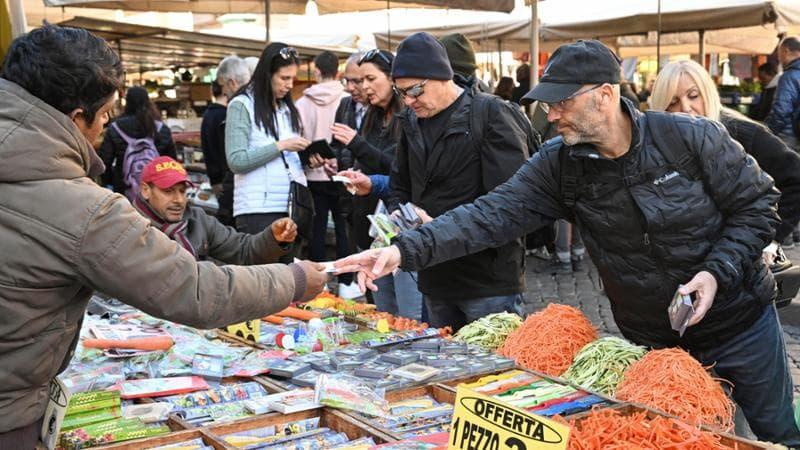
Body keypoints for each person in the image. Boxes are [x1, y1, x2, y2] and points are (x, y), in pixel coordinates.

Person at [336, 39, 800, 446]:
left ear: (604, 95)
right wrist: (402, 249)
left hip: (741, 323)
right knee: (680, 438)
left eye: (562, 102)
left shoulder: (690, 136)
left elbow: (759, 207)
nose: (551, 113)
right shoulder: (559, 163)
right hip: (656, 338)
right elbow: (491, 213)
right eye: (548, 102)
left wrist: (715, 273)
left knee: (777, 434)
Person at [0, 25, 328, 447]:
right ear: (76, 118)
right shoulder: (82, 209)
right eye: (103, 117)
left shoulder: (193, 222)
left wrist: (274, 242)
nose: (103, 131)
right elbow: (194, 289)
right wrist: (296, 280)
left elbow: (237, 250)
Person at [386, 32, 531, 330]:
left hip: (488, 280)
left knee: (496, 371)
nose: (409, 101)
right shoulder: (410, 123)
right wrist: (401, 213)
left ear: (441, 76)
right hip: (434, 275)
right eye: (401, 92)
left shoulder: (492, 114)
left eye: (415, 91)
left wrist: (437, 223)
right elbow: (398, 184)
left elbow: (512, 204)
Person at [649, 59, 800, 252]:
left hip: (740, 262)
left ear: (707, 93)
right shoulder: (656, 144)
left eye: (693, 96)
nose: (685, 107)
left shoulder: (743, 135)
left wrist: (770, 241)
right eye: (673, 102)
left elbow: (795, 177)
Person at [330, 49, 424, 319]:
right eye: (359, 81)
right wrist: (353, 172)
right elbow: (374, 167)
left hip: (402, 226)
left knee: (410, 314)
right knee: (382, 311)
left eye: (369, 78)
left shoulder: (410, 116)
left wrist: (357, 145)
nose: (362, 87)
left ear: (392, 78)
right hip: (371, 226)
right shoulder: (371, 116)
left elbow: (397, 170)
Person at [225, 43, 310, 261]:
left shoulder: (285, 109)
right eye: (284, 78)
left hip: (291, 206)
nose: (290, 85)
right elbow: (236, 160)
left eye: (292, 78)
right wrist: (281, 145)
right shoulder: (241, 105)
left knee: (289, 282)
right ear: (267, 74)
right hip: (257, 210)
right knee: (262, 282)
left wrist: (310, 159)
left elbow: (286, 160)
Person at [135, 156, 298, 263]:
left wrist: (273, 237)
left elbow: (243, 250)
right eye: (168, 191)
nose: (178, 200)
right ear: (146, 191)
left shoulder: (197, 219)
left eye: (183, 191)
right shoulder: (130, 226)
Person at [296, 51, 349, 274]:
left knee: (316, 228)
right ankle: (347, 278)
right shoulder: (347, 98)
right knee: (344, 227)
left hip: (312, 173)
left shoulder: (301, 103)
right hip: (342, 171)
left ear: (316, 71)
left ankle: (317, 278)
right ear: (338, 71)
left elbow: (297, 137)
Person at [99, 86, 177, 198]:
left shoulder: (115, 128)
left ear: (127, 102)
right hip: (156, 190)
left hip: (124, 190)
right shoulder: (161, 128)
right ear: (148, 102)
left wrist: (114, 180)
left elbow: (104, 162)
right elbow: (171, 162)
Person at [201, 78, 233, 225]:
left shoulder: (207, 115)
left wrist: (214, 178)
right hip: (227, 178)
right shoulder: (226, 115)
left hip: (215, 178)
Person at [767, 36, 800, 149]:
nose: (779, 58)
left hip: (790, 137)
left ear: (785, 51)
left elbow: (781, 111)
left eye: (779, 53)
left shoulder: (789, 76)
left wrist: (767, 132)